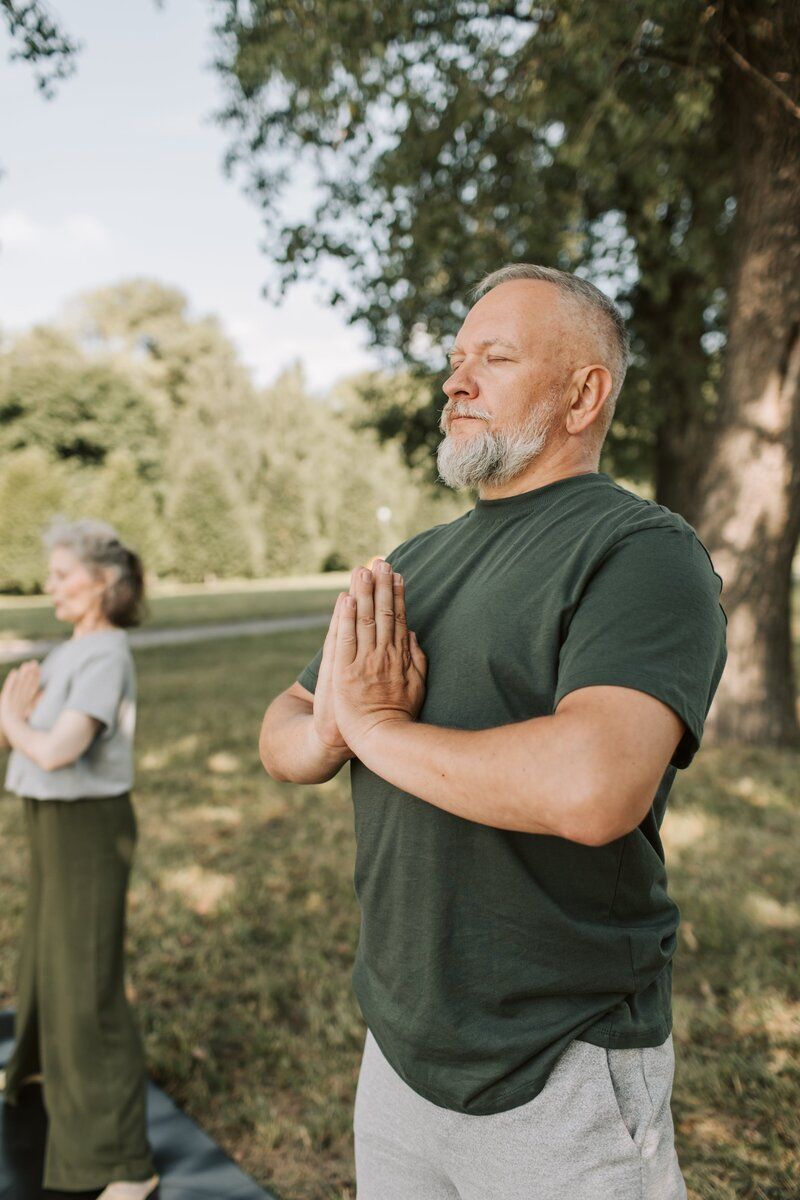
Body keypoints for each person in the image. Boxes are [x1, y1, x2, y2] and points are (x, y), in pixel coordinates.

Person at [259, 264, 728, 1199]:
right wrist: (329, 737)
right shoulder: (412, 563)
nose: (454, 382)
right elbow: (287, 722)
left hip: (561, 1062)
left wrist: (376, 728)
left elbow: (592, 788)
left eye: (495, 357)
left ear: (582, 394)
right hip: (399, 1045)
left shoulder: (642, 551)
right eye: (454, 359)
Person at [0, 518, 158, 1200]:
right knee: (43, 952)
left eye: (63, 575)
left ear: (101, 583)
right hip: (52, 819)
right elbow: (30, 739)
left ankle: (124, 1163)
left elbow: (56, 748)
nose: (51, 585)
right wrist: (15, 723)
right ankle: (33, 1070)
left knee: (87, 979)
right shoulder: (73, 650)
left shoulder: (106, 656)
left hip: (89, 827)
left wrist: (9, 719)